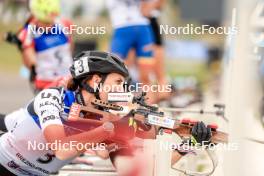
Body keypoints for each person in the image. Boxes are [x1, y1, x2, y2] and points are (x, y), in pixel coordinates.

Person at [0, 51, 138, 176]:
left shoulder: (101, 114)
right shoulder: (53, 97)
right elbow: (61, 149)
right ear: (96, 81)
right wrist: (106, 130)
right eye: (118, 82)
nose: (122, 89)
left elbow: (107, 154)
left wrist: (124, 135)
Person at [107, 0, 158, 103]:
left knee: (146, 77)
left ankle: (149, 110)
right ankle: (119, 110)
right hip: (121, 29)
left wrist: (149, 7)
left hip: (143, 28)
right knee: (115, 75)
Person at [17, 0, 73, 93]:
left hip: (67, 80)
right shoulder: (29, 32)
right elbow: (30, 63)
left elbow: (69, 49)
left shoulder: (64, 24)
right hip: (46, 83)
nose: (50, 26)